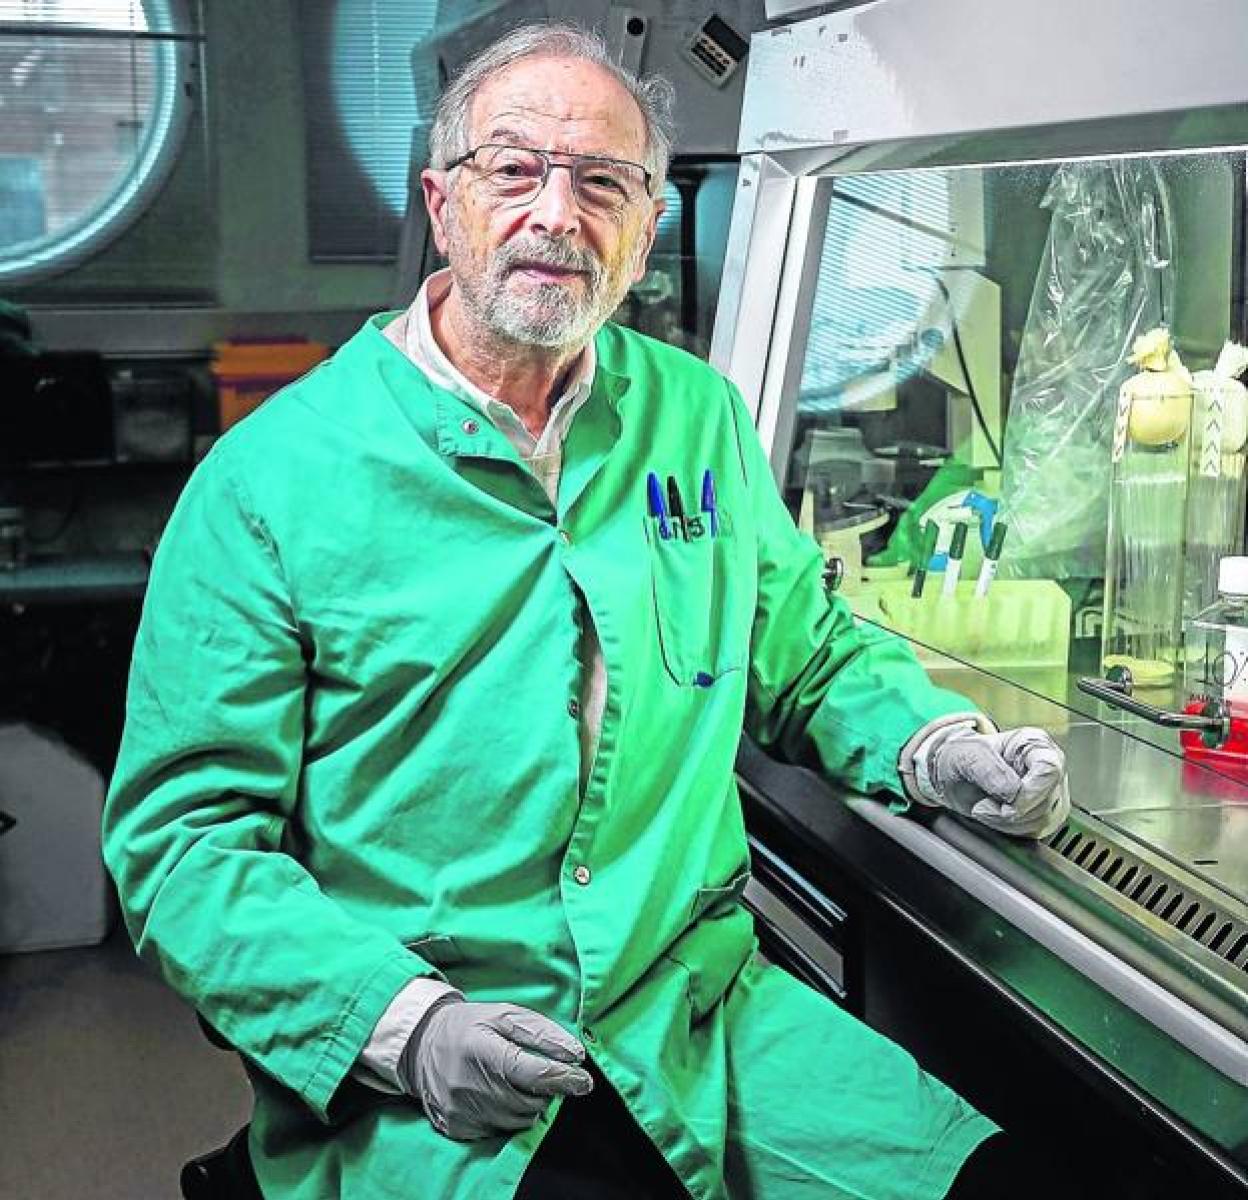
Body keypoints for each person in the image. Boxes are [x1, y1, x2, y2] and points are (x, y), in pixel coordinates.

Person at [103, 22, 1075, 1200]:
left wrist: (934, 744)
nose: (557, 214)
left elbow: (803, 654)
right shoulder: (268, 482)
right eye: (514, 171)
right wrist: (401, 1027)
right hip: (445, 1072)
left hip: (703, 1021)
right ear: (441, 198)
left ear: (648, 224)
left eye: (602, 181)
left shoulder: (697, 418)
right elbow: (186, 848)